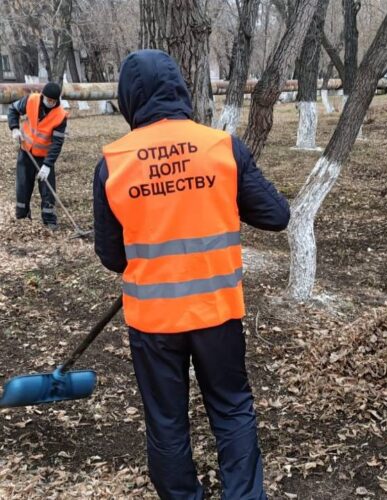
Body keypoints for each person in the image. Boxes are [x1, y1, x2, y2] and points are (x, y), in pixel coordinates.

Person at [93, 49, 290, 500]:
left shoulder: (113, 163)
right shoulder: (221, 147)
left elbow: (111, 255)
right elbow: (277, 215)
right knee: (232, 409)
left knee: (166, 419)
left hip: (153, 322)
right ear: (180, 89)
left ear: (128, 100)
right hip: (217, 313)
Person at [8, 82, 68, 229]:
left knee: (47, 188)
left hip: (45, 156)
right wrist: (14, 128)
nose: (50, 103)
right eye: (48, 99)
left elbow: (57, 143)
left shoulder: (60, 116)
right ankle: (22, 216)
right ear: (43, 96)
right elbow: (13, 109)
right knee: (23, 185)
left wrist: (47, 165)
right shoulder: (31, 100)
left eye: (53, 101)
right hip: (26, 151)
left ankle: (49, 219)